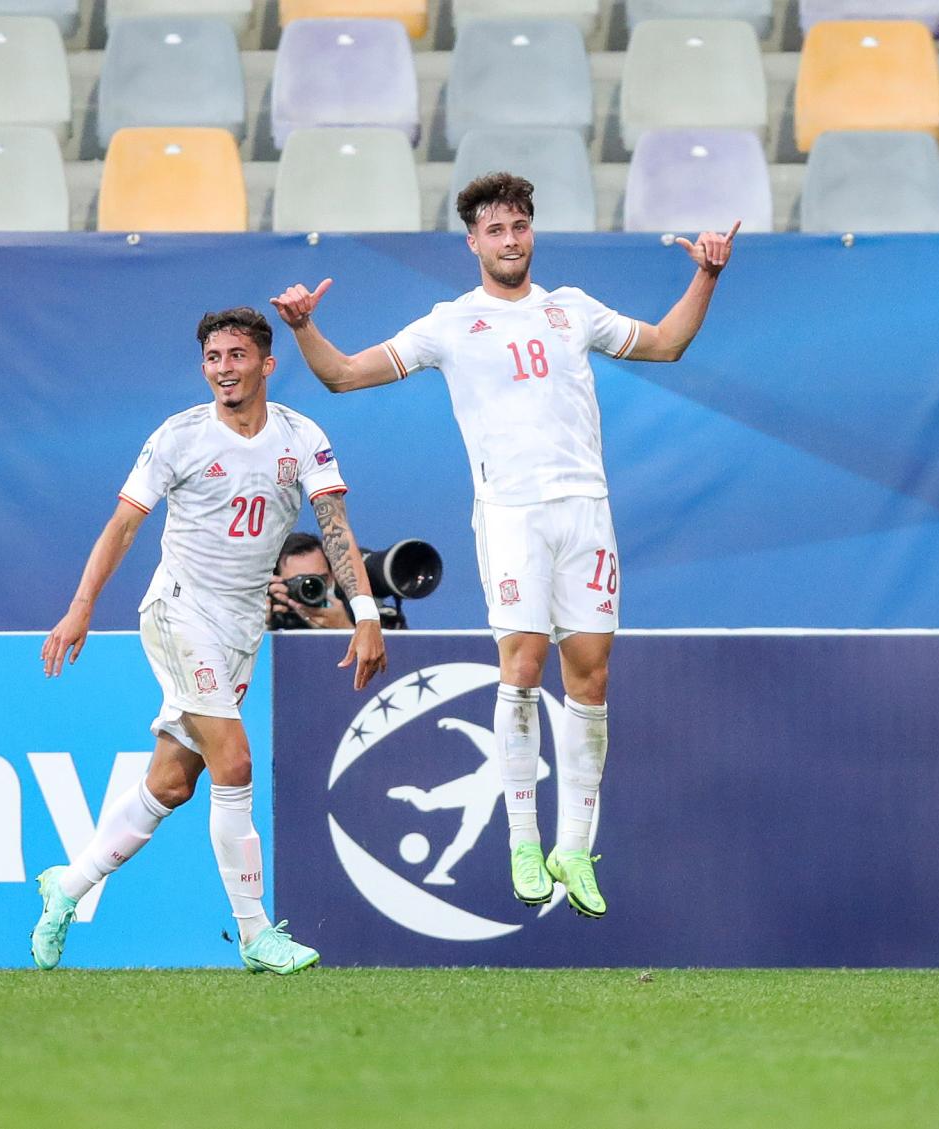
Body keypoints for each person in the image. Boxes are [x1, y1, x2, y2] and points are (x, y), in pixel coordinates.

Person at [271, 172, 736, 919]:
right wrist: (301, 327)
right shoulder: (451, 323)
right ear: (473, 242)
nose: (510, 240)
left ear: (531, 233)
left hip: (586, 510)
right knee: (521, 662)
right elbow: (344, 375)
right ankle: (524, 838)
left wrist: (706, 275)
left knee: (590, 677)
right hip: (512, 514)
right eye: (496, 230)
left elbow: (668, 344)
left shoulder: (571, 310)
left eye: (519, 226)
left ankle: (574, 846)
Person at [32, 306, 388, 976]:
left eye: (236, 356)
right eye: (213, 358)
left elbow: (333, 523)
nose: (224, 369)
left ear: (266, 364)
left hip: (240, 625)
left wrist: (364, 611)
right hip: (179, 610)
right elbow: (122, 526)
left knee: (171, 783)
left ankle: (66, 888)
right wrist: (80, 609)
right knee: (235, 764)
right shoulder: (179, 437)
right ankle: (255, 934)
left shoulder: (302, 436)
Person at [268, 531, 354, 629]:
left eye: (320, 580)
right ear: (276, 583)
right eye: (298, 581)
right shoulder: (268, 612)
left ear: (333, 575)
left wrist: (345, 629)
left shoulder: (358, 610)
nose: (311, 589)